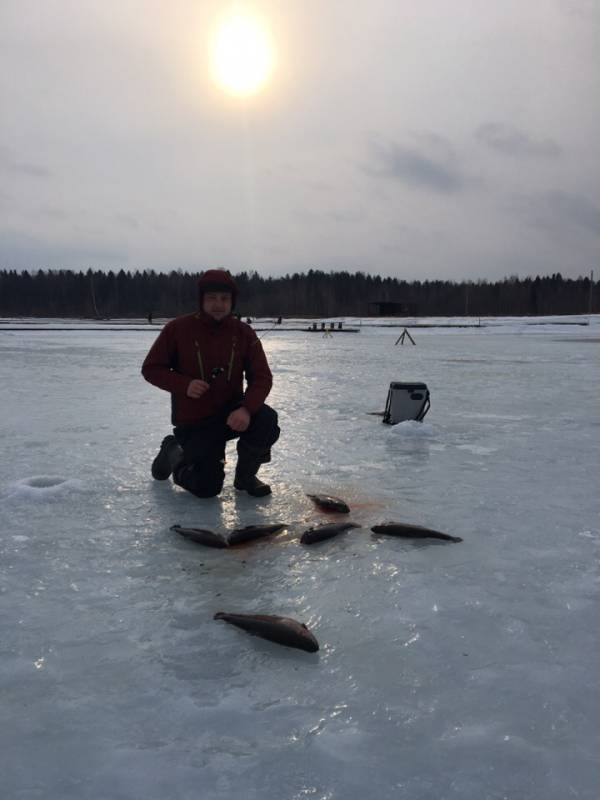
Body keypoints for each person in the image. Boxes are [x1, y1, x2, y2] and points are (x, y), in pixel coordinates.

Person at [141, 269, 279, 498]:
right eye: (212, 298)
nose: (218, 304)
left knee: (265, 419)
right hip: (194, 422)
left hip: (230, 414)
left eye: (224, 299)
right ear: (201, 300)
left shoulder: (243, 333)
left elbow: (262, 377)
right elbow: (151, 369)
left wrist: (246, 408)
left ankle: (246, 477)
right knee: (207, 488)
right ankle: (174, 451)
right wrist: (184, 384)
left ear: (232, 302)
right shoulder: (177, 329)